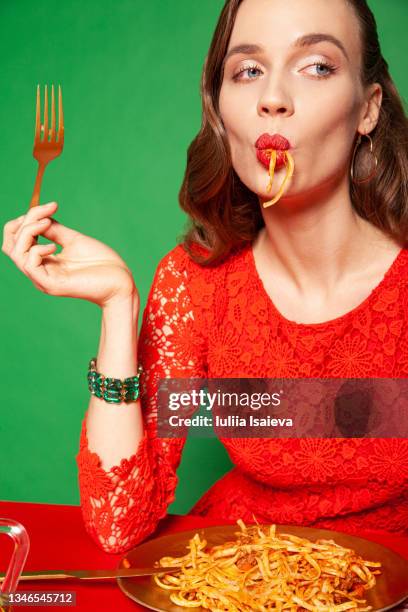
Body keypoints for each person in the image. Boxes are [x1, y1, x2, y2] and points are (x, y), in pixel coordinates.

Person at [2, 0, 408, 555]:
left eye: (316, 66)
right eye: (248, 70)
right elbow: (119, 524)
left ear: (369, 108)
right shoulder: (198, 286)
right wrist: (119, 308)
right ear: (221, 109)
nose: (272, 99)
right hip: (234, 567)